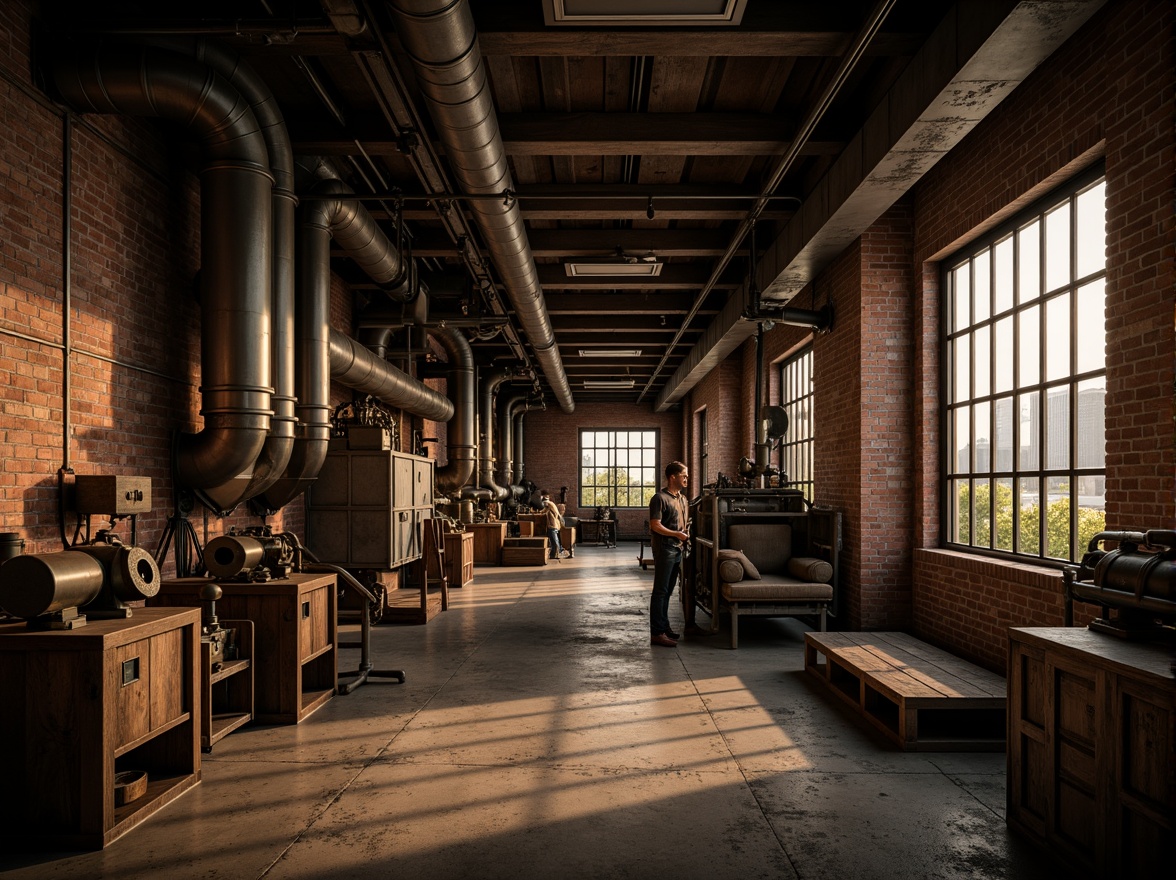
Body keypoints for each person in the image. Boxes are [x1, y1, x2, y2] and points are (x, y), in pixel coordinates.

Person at [648, 461, 690, 647]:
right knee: (660, 591)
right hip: (666, 549)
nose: (686, 478)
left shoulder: (682, 499)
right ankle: (657, 633)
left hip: (678, 549)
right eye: (684, 475)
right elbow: (655, 525)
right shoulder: (659, 498)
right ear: (673, 477)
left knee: (669, 591)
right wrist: (676, 534)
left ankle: (664, 627)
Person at [539, 489, 566, 561]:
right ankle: (554, 554)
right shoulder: (551, 503)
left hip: (552, 524)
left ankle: (557, 553)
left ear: (543, 496)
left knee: (554, 541)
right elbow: (544, 511)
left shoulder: (546, 503)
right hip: (555, 524)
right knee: (554, 540)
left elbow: (543, 510)